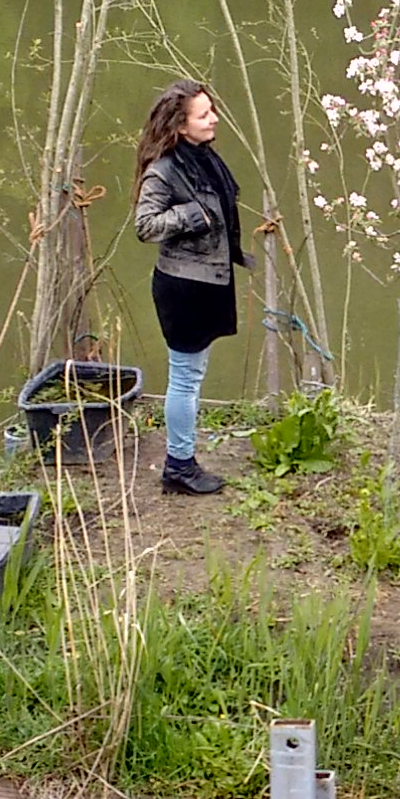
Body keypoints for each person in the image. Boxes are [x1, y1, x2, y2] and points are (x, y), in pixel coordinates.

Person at [132, 78, 247, 497]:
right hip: (184, 287)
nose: (214, 118)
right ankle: (178, 466)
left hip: (205, 279)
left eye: (212, 110)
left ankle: (182, 461)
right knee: (184, 378)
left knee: (191, 374)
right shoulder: (164, 171)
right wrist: (189, 216)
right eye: (204, 114)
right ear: (180, 126)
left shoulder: (200, 158)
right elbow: (144, 226)